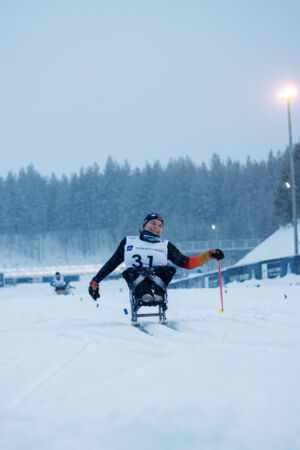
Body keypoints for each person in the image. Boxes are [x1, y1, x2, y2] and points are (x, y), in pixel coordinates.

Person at [88, 213, 224, 302]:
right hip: (135, 277)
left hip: (157, 279)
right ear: (144, 225)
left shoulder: (165, 245)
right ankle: (145, 294)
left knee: (169, 269)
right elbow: (112, 263)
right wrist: (95, 281)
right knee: (129, 272)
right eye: (153, 223)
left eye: (160, 226)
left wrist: (208, 255)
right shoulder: (129, 241)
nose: (156, 227)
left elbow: (187, 263)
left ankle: (157, 294)